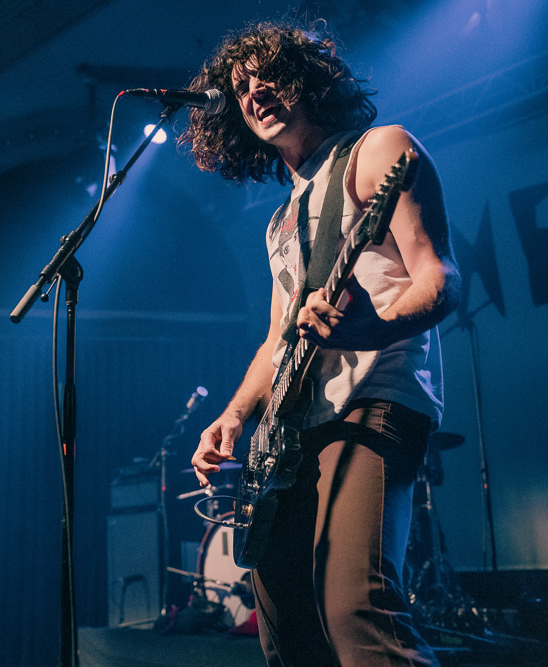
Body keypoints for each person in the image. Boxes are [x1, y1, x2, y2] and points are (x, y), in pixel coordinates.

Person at [183, 21, 460, 666]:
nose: (254, 94)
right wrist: (233, 414)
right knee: (284, 622)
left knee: (355, 608)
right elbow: (280, 336)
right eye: (240, 87)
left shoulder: (378, 149)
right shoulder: (281, 219)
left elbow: (439, 279)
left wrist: (371, 326)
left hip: (378, 401)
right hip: (297, 427)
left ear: (307, 80)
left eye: (267, 75)